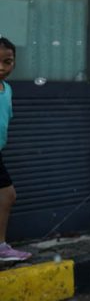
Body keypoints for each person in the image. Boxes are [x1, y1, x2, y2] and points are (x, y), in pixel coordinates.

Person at [0, 38, 30, 263]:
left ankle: (1, 246)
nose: (2, 67)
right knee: (7, 195)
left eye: (7, 61)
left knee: (6, 196)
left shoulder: (7, 89)